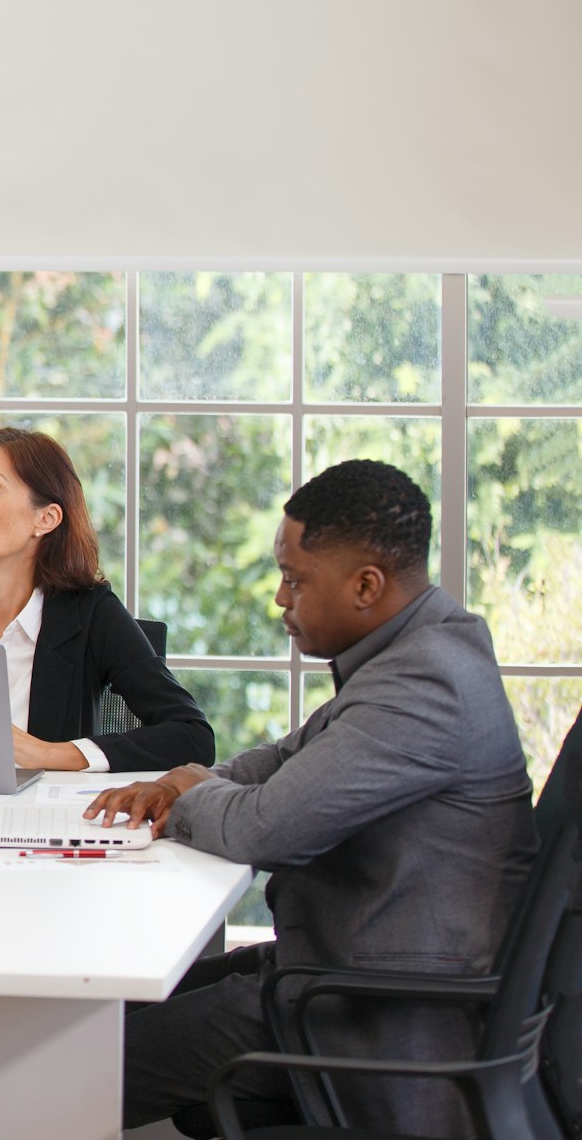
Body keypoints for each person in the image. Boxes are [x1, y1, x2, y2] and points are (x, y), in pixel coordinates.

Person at [93, 460, 536, 1135]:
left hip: (374, 1013)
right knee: (110, 1007)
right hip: (341, 971)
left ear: (366, 585)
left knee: (73, 1065)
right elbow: (287, 761)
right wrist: (182, 779)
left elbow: (261, 831)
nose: (280, 599)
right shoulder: (418, 652)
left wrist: (187, 791)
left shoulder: (425, 684)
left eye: (295, 580)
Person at [0, 427, 213, 773]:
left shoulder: (90, 614)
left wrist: (50, 754)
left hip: (42, 823)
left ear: (45, 518)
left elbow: (192, 737)